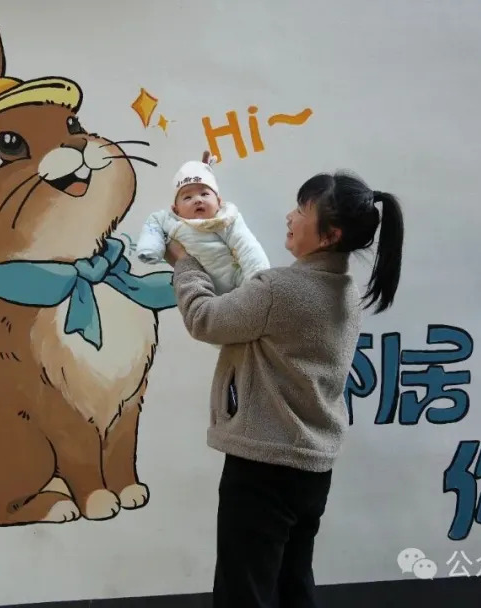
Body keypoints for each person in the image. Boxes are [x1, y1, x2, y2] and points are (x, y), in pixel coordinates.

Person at [164, 168, 405, 607]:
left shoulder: (279, 289)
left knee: (245, 593)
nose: (290, 217)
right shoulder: (346, 291)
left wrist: (185, 264)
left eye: (302, 211)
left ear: (330, 235)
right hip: (312, 467)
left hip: (263, 464)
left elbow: (204, 319)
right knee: (293, 584)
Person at [137, 152, 270, 295]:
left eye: (205, 194)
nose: (198, 200)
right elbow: (153, 224)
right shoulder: (171, 221)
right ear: (176, 210)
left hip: (239, 281)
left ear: (219, 202)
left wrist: (258, 282)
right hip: (203, 288)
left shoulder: (226, 220)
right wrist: (150, 249)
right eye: (188, 197)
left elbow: (247, 247)